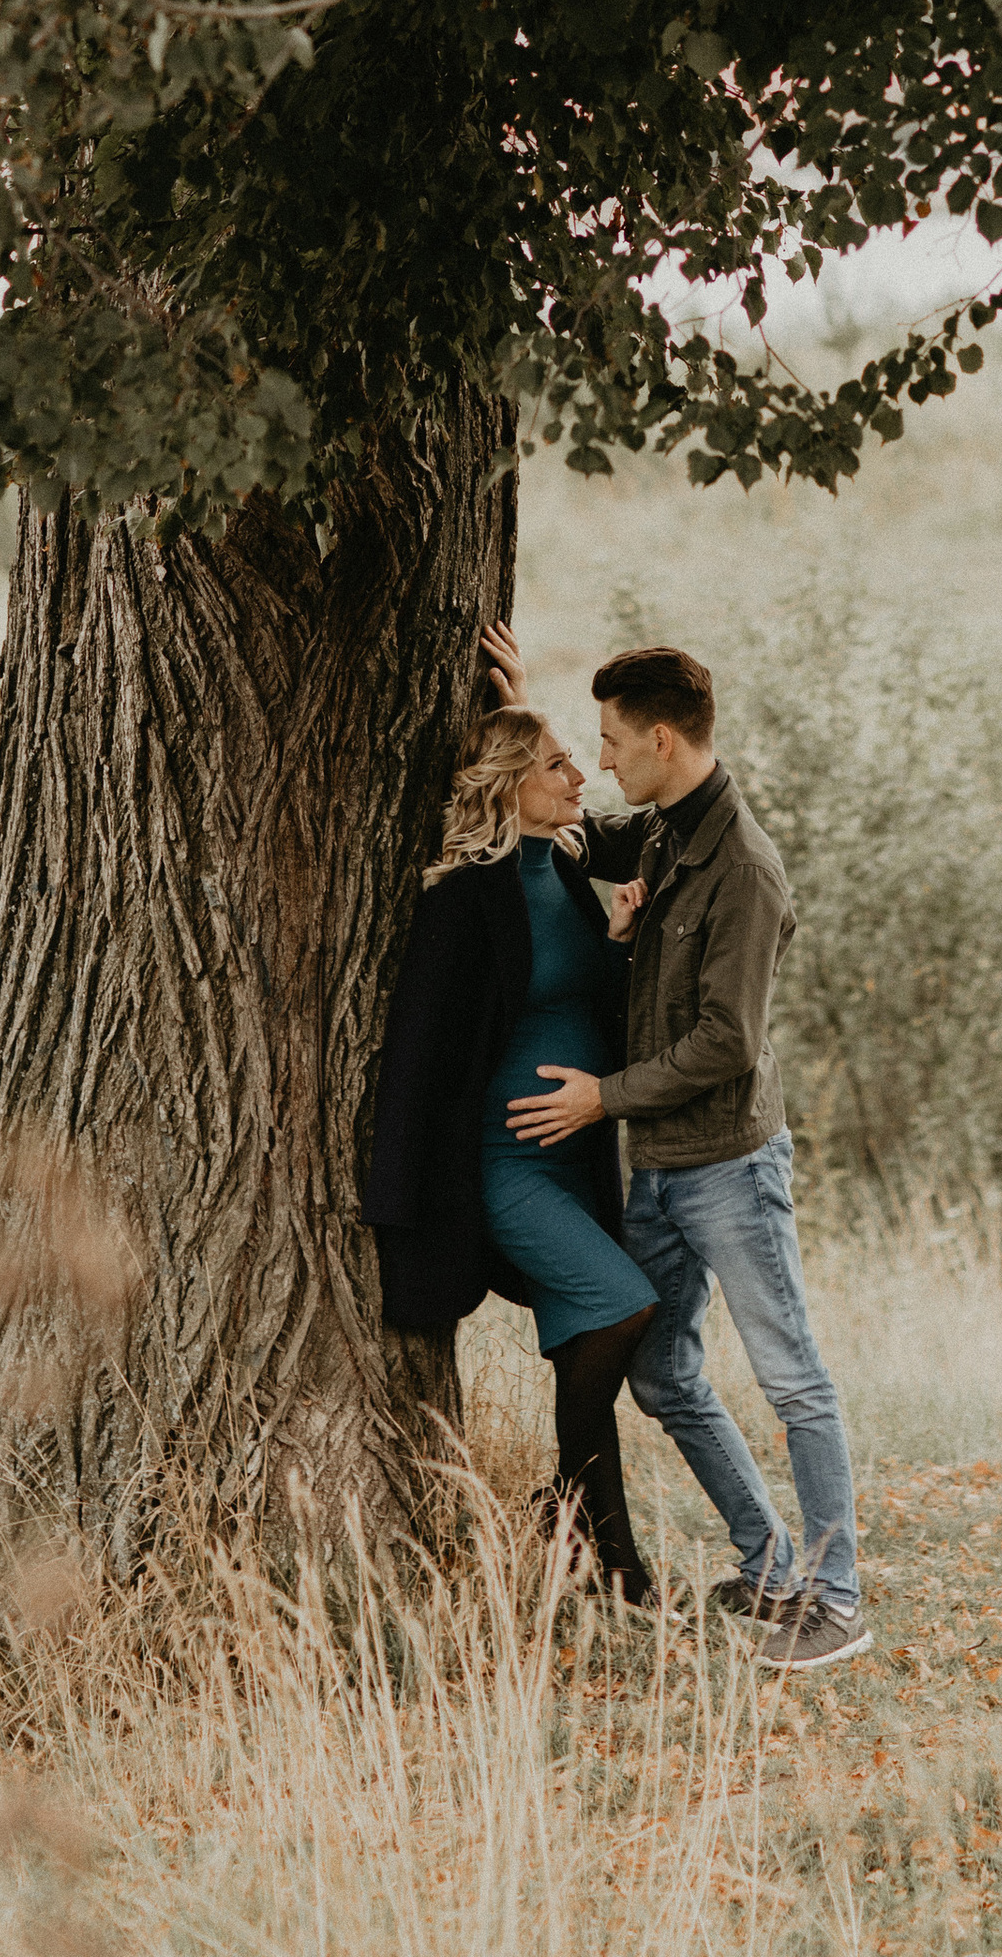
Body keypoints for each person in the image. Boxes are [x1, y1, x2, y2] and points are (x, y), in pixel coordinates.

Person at [501, 635, 870, 1672]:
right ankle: (768, 1566)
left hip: (726, 1171)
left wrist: (600, 1100)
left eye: (614, 742)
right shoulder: (667, 828)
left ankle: (835, 1603)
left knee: (793, 1382)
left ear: (664, 739)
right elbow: (584, 832)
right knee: (663, 1376)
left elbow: (726, 1041)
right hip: (658, 1166)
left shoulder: (741, 867)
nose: (604, 761)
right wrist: (522, 731)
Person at [361, 690, 664, 1608]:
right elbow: (422, 1052)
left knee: (593, 1334)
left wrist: (618, 945)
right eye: (557, 766)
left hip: (577, 1158)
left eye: (578, 759)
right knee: (618, 1308)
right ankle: (590, 1538)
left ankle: (590, 1548)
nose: (581, 777)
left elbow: (576, 1001)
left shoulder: (566, 867)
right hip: (505, 1160)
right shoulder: (463, 900)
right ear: (506, 788)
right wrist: (398, 1199)